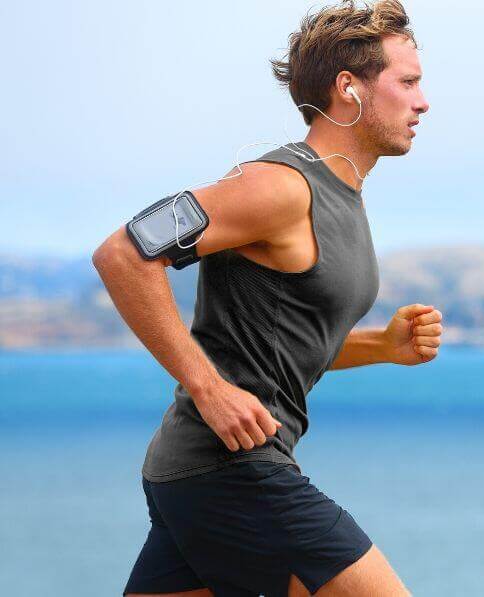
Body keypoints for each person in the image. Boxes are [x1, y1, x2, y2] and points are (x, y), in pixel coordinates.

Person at [91, 1, 437, 595]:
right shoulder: (276, 186)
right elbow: (124, 254)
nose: (423, 101)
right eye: (407, 82)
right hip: (231, 467)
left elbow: (279, 342)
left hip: (199, 472)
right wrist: (210, 388)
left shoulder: (339, 194)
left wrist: (382, 346)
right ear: (348, 89)